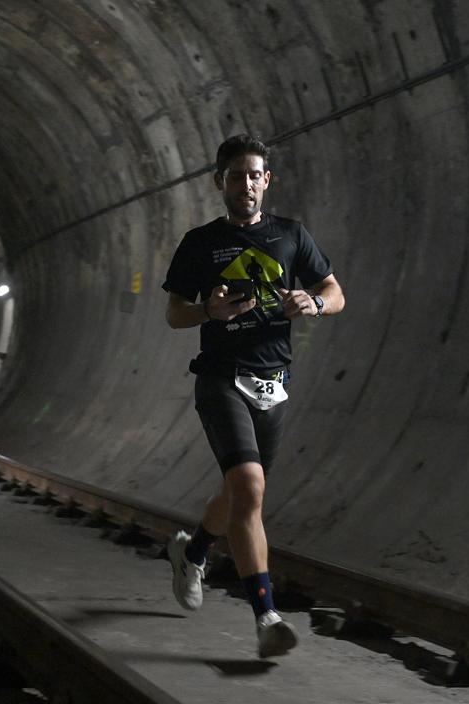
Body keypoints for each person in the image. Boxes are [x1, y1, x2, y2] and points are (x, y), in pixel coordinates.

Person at [161, 134, 345, 658]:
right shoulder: (200, 242)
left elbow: (336, 293)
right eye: (236, 175)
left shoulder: (291, 235)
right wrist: (208, 312)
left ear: (267, 181)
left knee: (242, 492)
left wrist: (312, 302)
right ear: (220, 182)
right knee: (250, 485)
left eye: (255, 174)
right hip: (220, 376)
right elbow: (175, 313)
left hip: (272, 382)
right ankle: (266, 616)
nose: (247, 183)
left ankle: (192, 553)